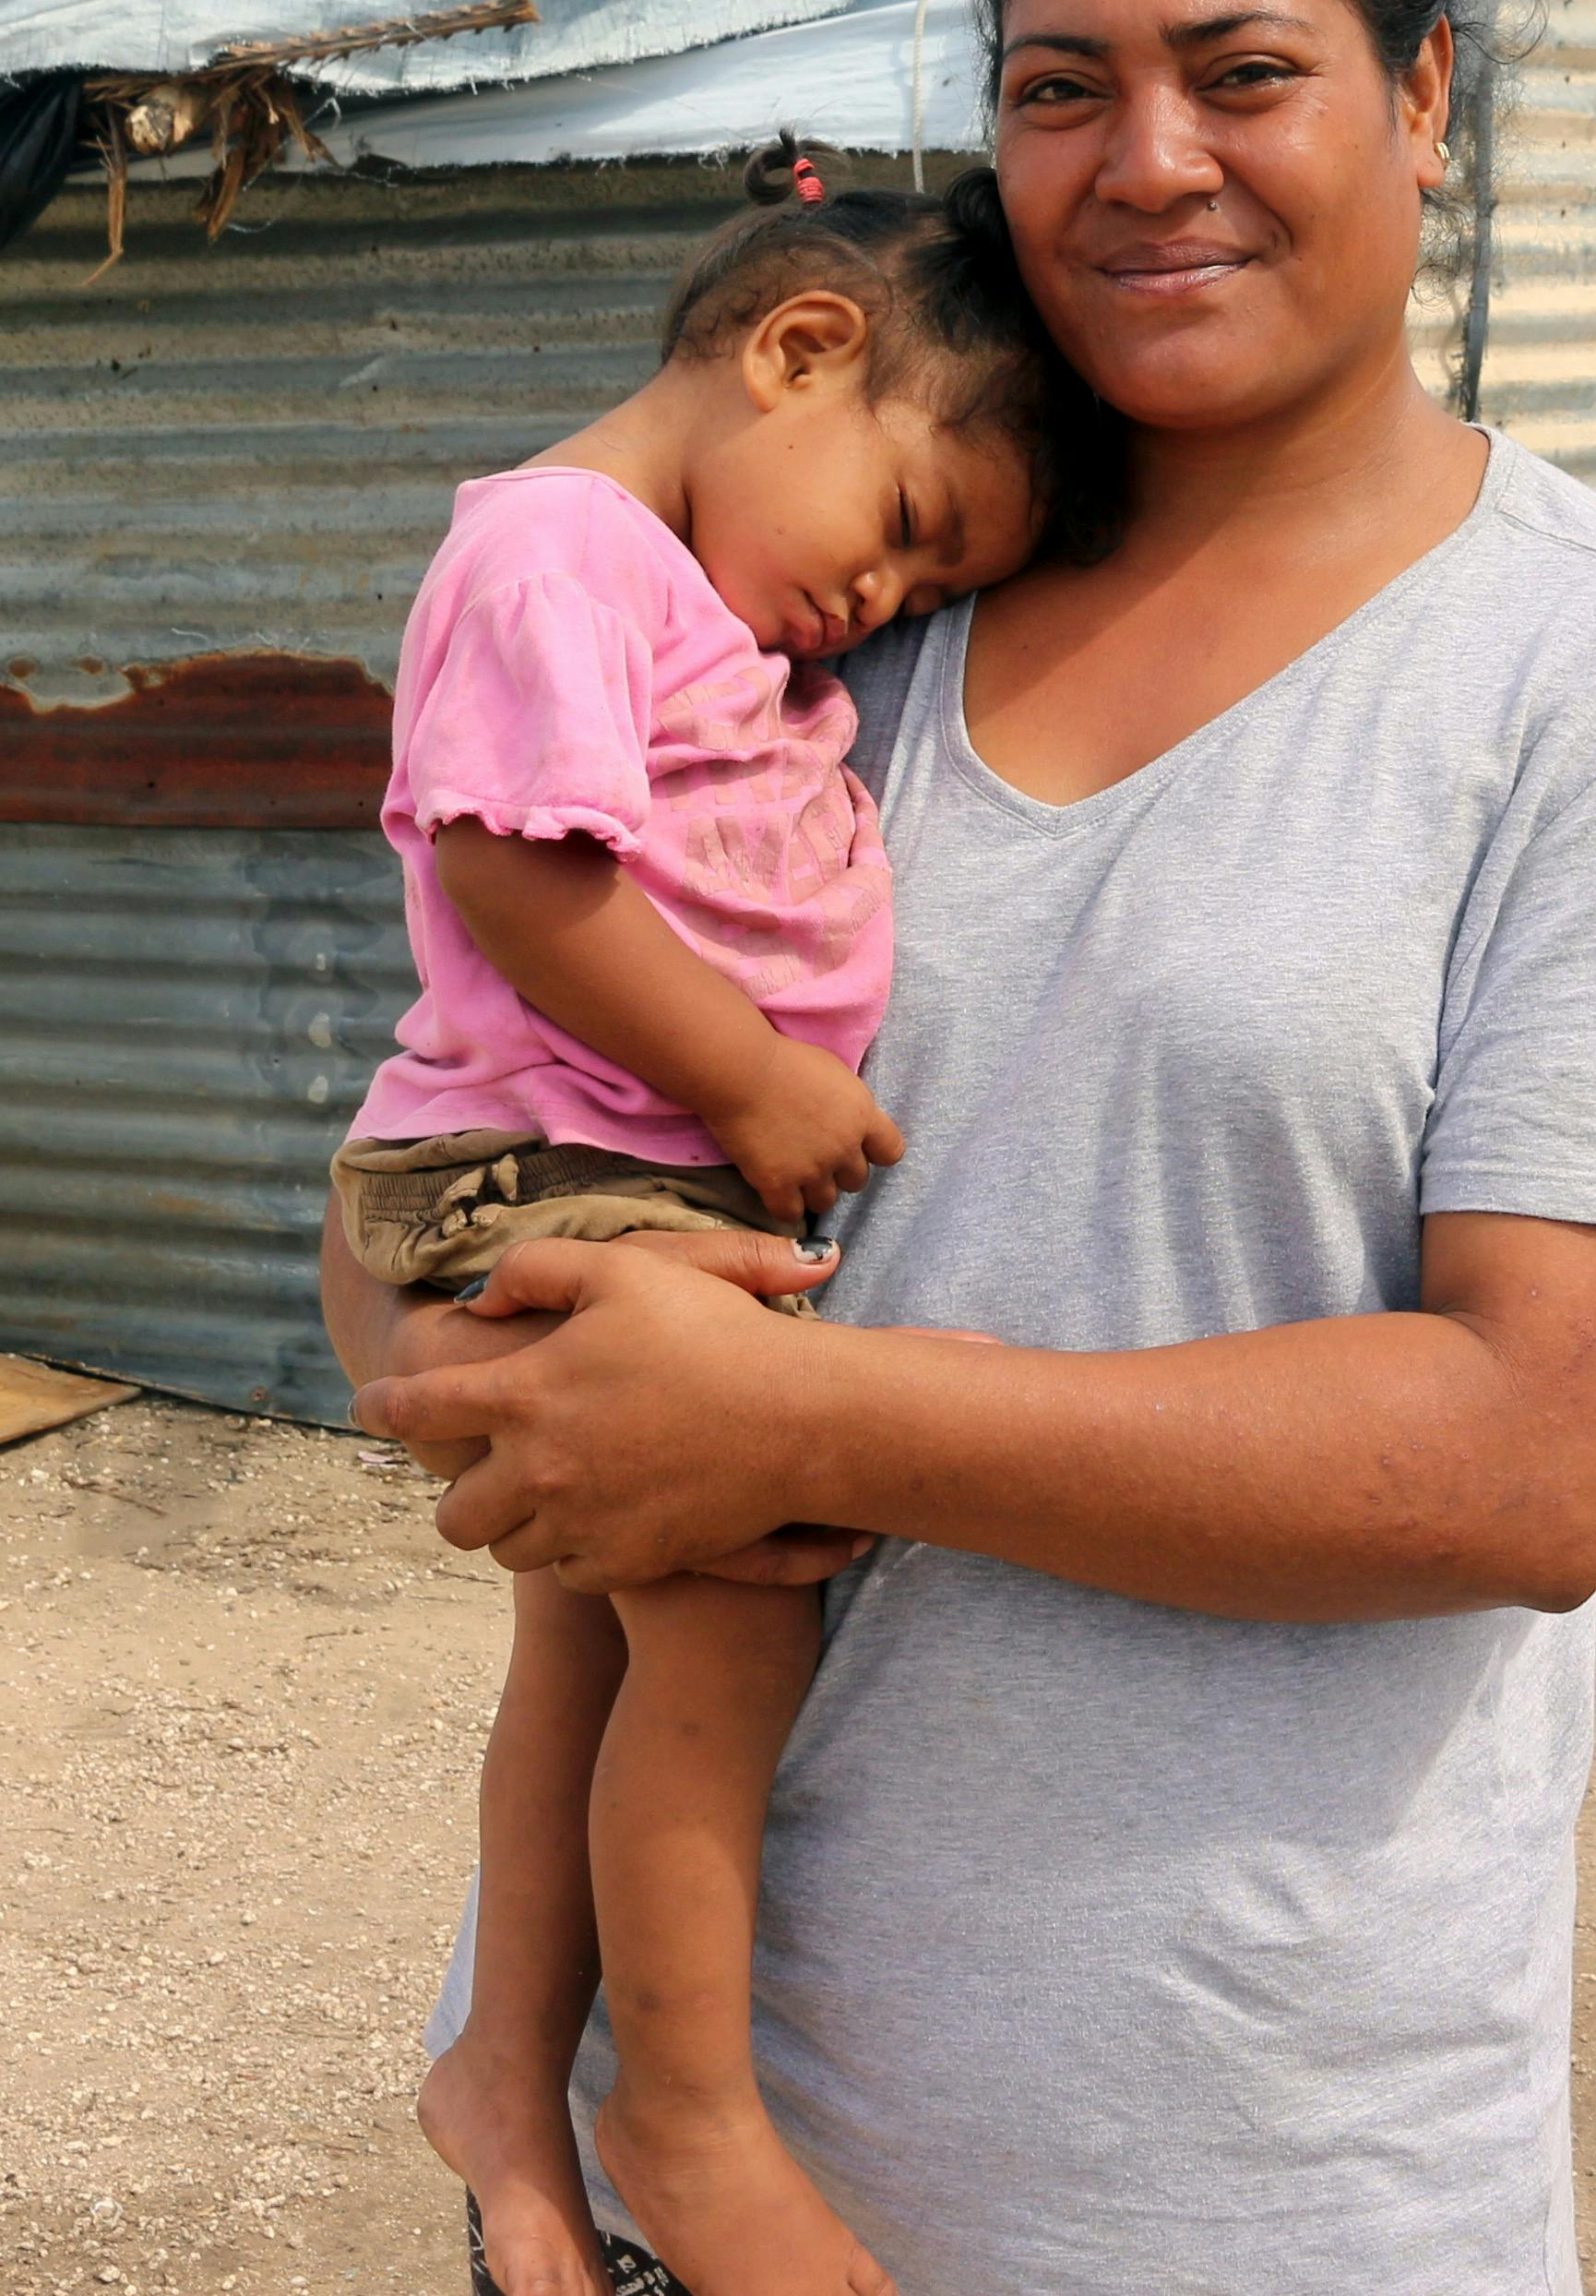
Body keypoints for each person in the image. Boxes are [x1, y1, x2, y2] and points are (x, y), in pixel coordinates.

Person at [328, 0, 1596, 2296]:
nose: (1148, 157)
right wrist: (448, 1334)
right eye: (1063, 89)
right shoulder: (834, 630)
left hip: (1222, 2177)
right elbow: (467, 1111)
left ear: (1420, 94)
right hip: (655, 2164)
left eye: (1242, 70)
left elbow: (1536, 1465)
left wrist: (790, 1418)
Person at [333, 184, 1070, 2296]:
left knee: (594, 1640)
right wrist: (751, 1084)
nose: (887, 593)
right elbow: (512, 872)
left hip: (618, 1176)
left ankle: (503, 2064)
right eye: (914, 521)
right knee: (732, 1628)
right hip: (540, 1169)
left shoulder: (691, 602)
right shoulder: (553, 551)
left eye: (942, 580)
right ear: (800, 349)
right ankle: (688, 2110)